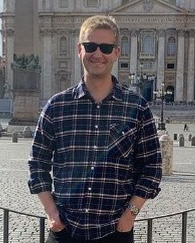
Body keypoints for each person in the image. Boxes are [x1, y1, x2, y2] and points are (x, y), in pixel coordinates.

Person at [28, 15, 162, 243]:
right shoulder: (56, 106)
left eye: (106, 47)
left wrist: (130, 215)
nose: (97, 54)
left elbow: (152, 167)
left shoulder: (137, 107)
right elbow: (37, 163)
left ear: (117, 52)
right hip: (65, 230)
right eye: (90, 46)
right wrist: (52, 213)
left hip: (115, 231)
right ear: (79, 49)